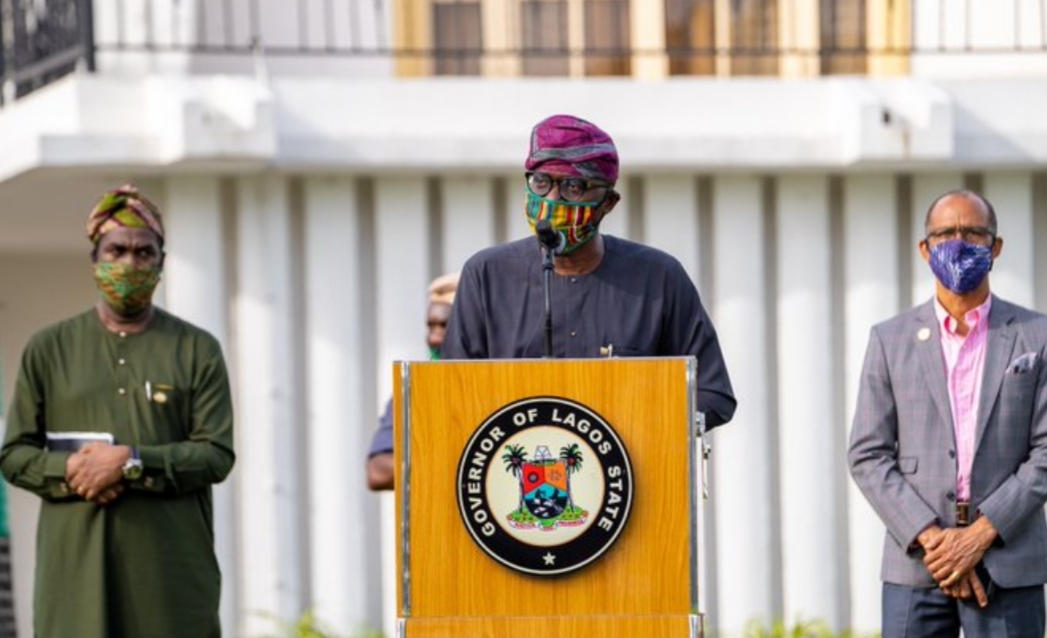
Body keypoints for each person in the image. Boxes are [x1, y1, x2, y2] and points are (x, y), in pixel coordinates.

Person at [0, 185, 235, 638]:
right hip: (74, 577)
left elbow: (216, 455)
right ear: (95, 259)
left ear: (161, 263)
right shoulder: (49, 348)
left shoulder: (195, 349)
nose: (130, 264)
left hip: (170, 582)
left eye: (144, 252)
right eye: (117, 250)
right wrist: (72, 469)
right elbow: (13, 456)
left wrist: (130, 461)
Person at [441, 114, 736, 429]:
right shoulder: (486, 275)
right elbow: (451, 392)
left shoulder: (659, 278)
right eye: (541, 182)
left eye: (573, 187)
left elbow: (712, 394)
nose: (552, 199)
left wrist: (641, 424)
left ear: (608, 202)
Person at [848, 190, 1047, 637]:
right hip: (918, 565)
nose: (959, 243)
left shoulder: (1037, 336)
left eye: (973, 233)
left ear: (996, 246)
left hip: (1008, 561)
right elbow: (867, 454)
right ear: (925, 249)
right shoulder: (890, 340)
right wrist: (934, 540)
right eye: (945, 234)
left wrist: (979, 535)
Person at [367, 272, 459, 490]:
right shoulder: (416, 388)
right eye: (431, 326)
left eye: (444, 326)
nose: (434, 337)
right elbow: (378, 472)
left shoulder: (506, 379)